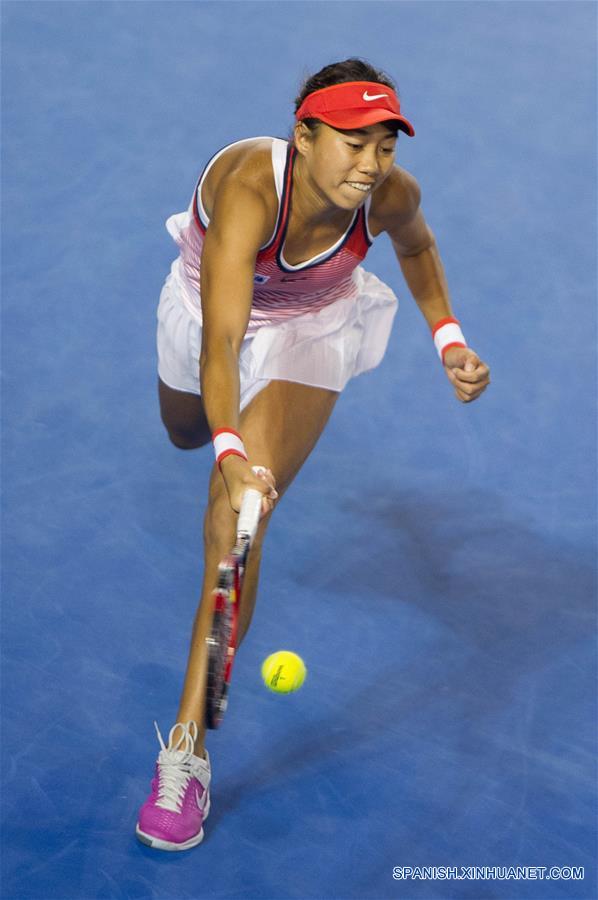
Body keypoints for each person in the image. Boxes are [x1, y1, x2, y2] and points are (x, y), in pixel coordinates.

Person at [135, 58, 490, 852]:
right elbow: (221, 344)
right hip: (208, 321)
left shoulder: (390, 196)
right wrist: (224, 444)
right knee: (186, 434)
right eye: (353, 144)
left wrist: (450, 340)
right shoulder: (250, 191)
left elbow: (420, 250)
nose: (371, 166)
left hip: (311, 333)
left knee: (238, 516)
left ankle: (185, 754)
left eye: (385, 148)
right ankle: (219, 445)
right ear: (303, 135)